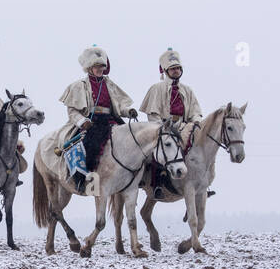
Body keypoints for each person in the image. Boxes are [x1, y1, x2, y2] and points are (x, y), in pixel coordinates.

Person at [55, 46, 136, 193]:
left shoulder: (109, 84)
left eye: (102, 66)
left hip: (110, 120)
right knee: (88, 145)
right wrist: (82, 121)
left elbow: (118, 107)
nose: (100, 69)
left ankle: (134, 177)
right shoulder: (79, 86)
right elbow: (72, 110)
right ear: (89, 68)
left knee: (133, 140)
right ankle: (81, 178)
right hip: (90, 122)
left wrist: (128, 111)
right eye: (97, 66)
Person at [140, 48, 212, 197]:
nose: (176, 71)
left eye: (178, 68)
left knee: (199, 149)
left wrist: (197, 124)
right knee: (159, 151)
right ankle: (156, 184)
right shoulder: (156, 88)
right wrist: (161, 127)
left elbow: (195, 112)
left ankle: (201, 184)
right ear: (166, 70)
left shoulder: (187, 90)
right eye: (173, 69)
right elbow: (153, 113)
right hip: (163, 126)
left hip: (184, 126)